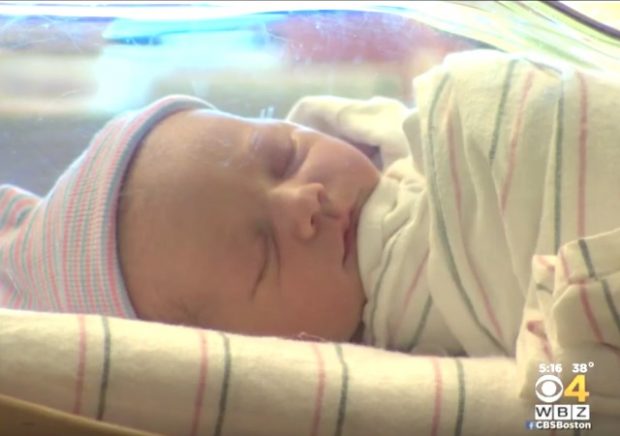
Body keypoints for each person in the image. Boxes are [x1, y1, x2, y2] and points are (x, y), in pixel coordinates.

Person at [1, 49, 619, 366]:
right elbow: (558, 396)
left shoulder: (401, 145)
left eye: (284, 155)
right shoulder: (405, 345)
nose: (305, 203)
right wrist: (572, 388)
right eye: (263, 254)